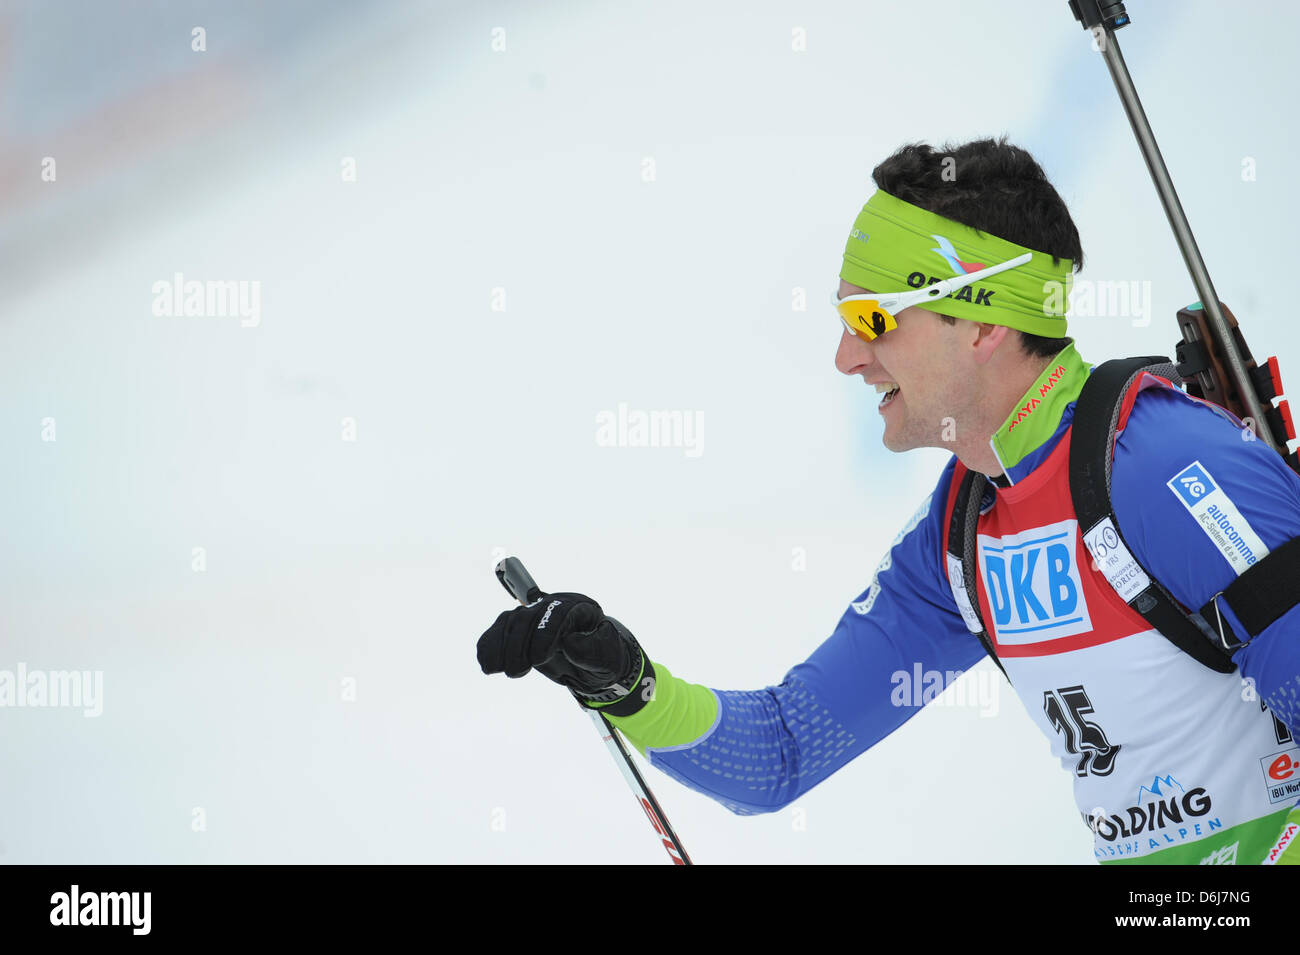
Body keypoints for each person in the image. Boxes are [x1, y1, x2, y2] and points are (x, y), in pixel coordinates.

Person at [477, 137, 1300, 865]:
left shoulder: (1169, 469)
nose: (846, 356)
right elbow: (782, 749)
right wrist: (630, 683)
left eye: (871, 318)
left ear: (981, 322)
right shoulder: (964, 530)